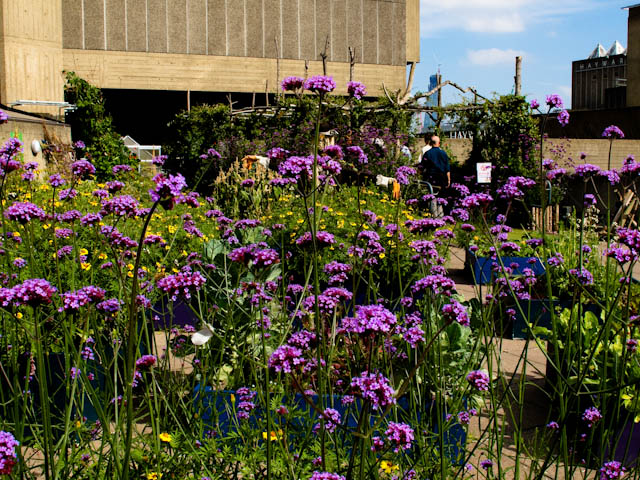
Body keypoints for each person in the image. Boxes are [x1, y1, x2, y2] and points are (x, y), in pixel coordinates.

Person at [419, 135, 450, 217]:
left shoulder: (427, 154)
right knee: (441, 197)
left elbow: (422, 167)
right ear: (439, 143)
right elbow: (447, 169)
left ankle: (434, 215)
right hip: (442, 178)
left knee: (432, 196)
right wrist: (448, 180)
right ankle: (440, 215)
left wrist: (419, 175)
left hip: (431, 178)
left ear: (431, 143)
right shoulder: (443, 153)